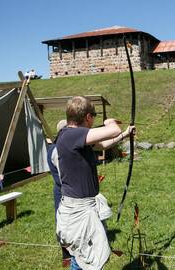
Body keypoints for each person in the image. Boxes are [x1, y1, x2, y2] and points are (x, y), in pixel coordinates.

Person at [55, 96, 135, 270]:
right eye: (94, 117)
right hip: (79, 210)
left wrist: (125, 134)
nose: (94, 121)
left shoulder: (73, 137)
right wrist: (109, 122)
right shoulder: (72, 134)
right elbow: (112, 130)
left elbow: (102, 144)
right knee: (84, 256)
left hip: (86, 207)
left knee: (87, 254)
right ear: (88, 117)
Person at [47, 119, 71, 267]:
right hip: (63, 191)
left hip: (66, 190)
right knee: (63, 223)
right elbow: (64, 176)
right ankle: (66, 255)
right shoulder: (56, 150)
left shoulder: (63, 147)